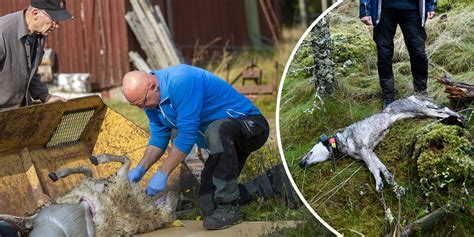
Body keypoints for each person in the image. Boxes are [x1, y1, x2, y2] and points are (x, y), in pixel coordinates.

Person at [124, 64, 277, 230]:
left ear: (153, 86)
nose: (142, 108)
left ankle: (230, 208)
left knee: (217, 129)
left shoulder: (181, 80)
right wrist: (141, 169)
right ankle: (269, 183)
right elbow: (159, 136)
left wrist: (162, 173)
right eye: (137, 105)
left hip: (251, 126)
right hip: (223, 142)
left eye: (143, 103)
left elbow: (187, 135)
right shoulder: (151, 100)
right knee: (207, 202)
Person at [359, 0, 436, 108]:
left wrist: (430, 5)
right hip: (384, 10)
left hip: (412, 10)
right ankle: (388, 96)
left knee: (418, 52)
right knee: (384, 53)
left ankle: (421, 93)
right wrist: (365, 10)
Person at [0, 0, 72, 110]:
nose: (56, 25)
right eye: (53, 19)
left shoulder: (39, 35)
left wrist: (45, 96)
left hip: (19, 112)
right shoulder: (2, 32)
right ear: (35, 14)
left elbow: (29, 72)